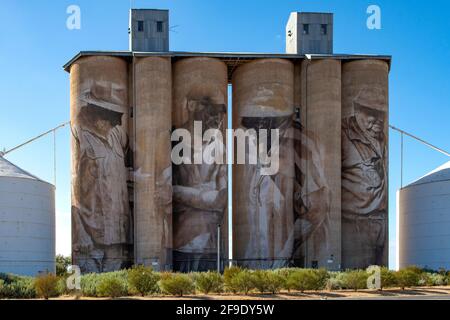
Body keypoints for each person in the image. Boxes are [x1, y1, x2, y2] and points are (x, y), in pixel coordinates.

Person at [72, 81, 132, 273]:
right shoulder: (83, 138)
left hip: (119, 231)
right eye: (110, 118)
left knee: (115, 282)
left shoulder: (116, 135)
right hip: (93, 237)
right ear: (95, 114)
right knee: (93, 282)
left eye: (117, 119)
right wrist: (81, 232)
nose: (113, 124)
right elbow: (76, 194)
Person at [172, 98, 227, 272]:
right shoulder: (174, 139)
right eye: (211, 113)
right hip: (181, 243)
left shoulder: (218, 146)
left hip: (208, 242)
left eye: (219, 116)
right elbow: (159, 191)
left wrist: (177, 191)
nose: (217, 121)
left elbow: (221, 199)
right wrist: (204, 195)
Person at [341, 87, 388, 268]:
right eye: (371, 113)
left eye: (381, 114)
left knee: (376, 278)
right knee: (359, 274)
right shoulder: (344, 134)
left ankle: (375, 292)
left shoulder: (380, 137)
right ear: (356, 110)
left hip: (380, 222)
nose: (378, 119)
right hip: (356, 226)